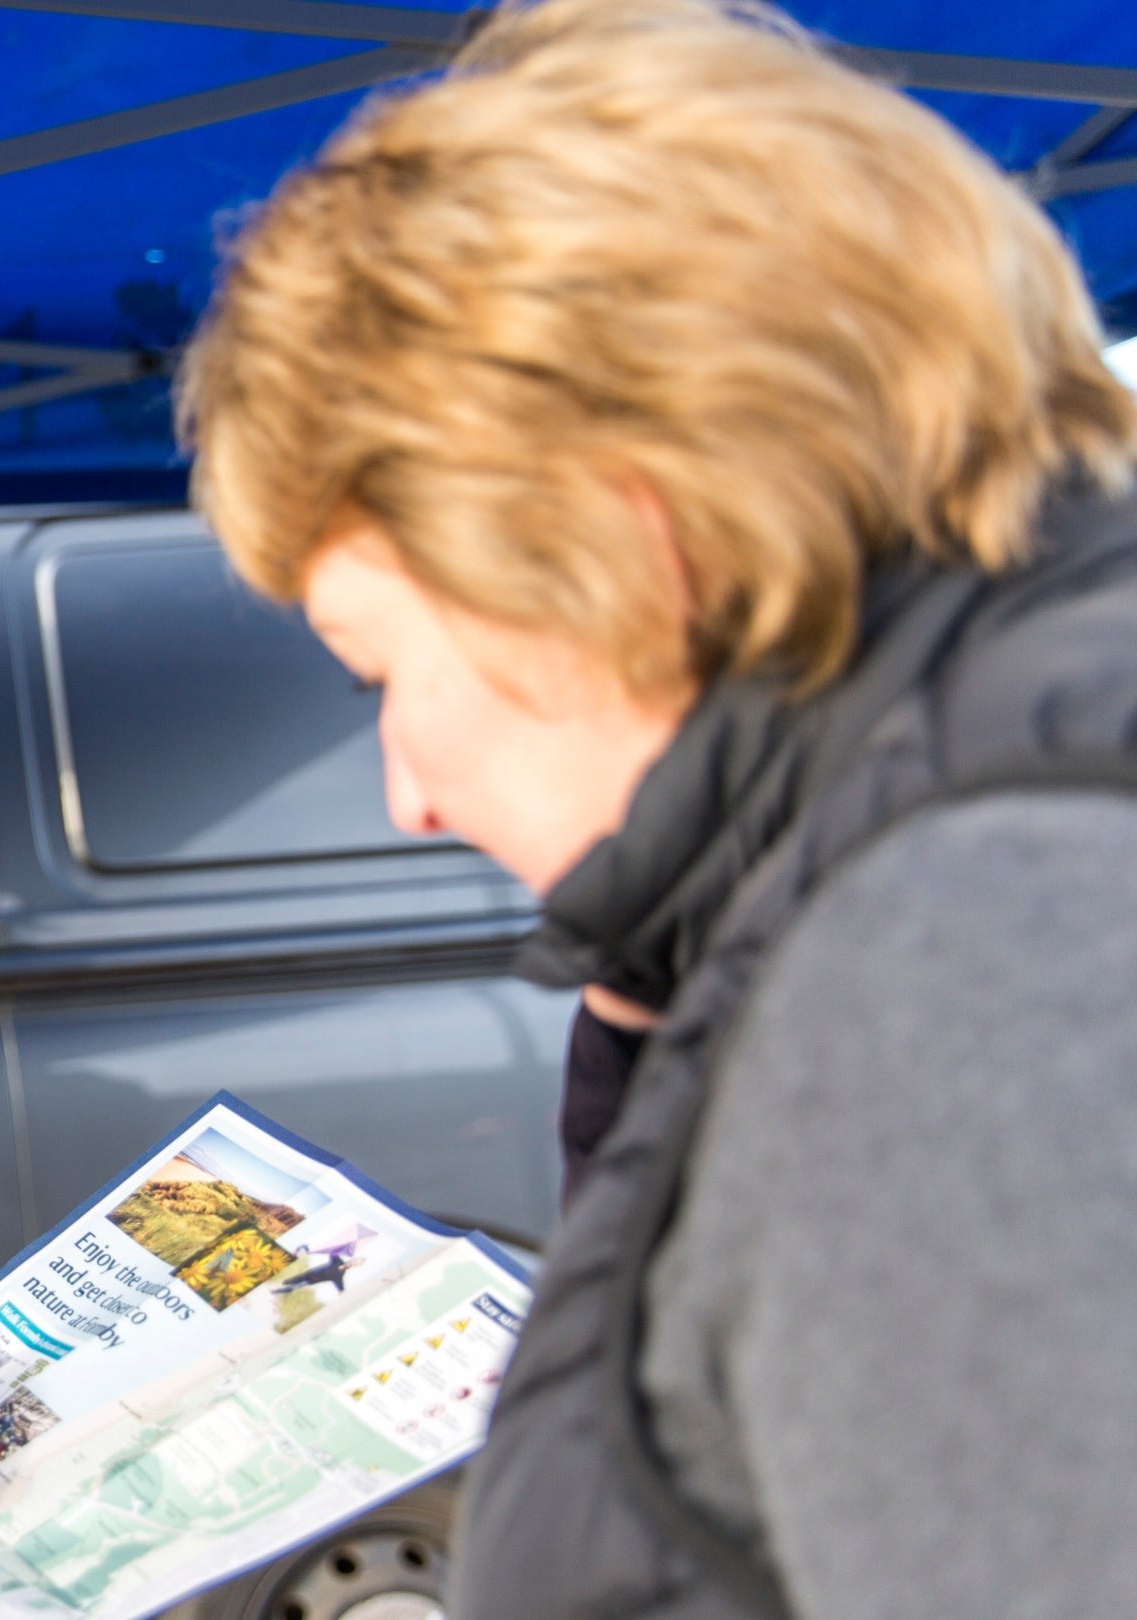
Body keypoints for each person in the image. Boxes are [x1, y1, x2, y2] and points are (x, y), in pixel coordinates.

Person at [177, 2, 1137, 1615]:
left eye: (378, 669)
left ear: (621, 555)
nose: (408, 796)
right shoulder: (925, 839)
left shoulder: (966, 960)